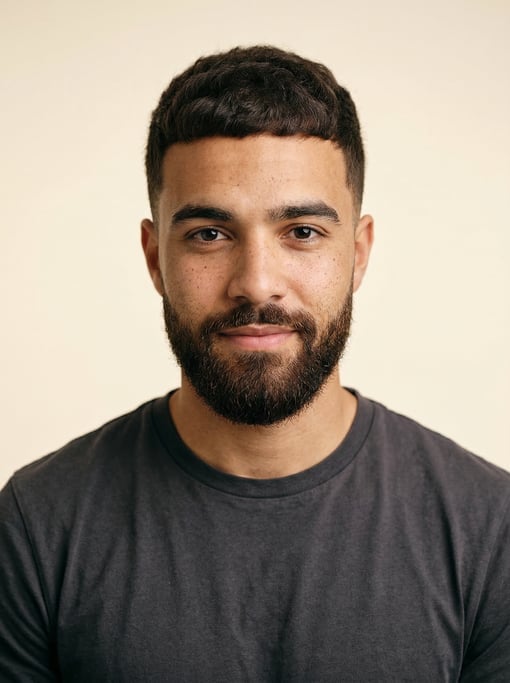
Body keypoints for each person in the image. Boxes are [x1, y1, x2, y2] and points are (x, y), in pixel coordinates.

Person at [0, 45, 509, 682]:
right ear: (155, 258)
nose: (257, 284)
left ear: (358, 253)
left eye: (301, 231)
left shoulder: (489, 530)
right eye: (209, 234)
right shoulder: (37, 524)